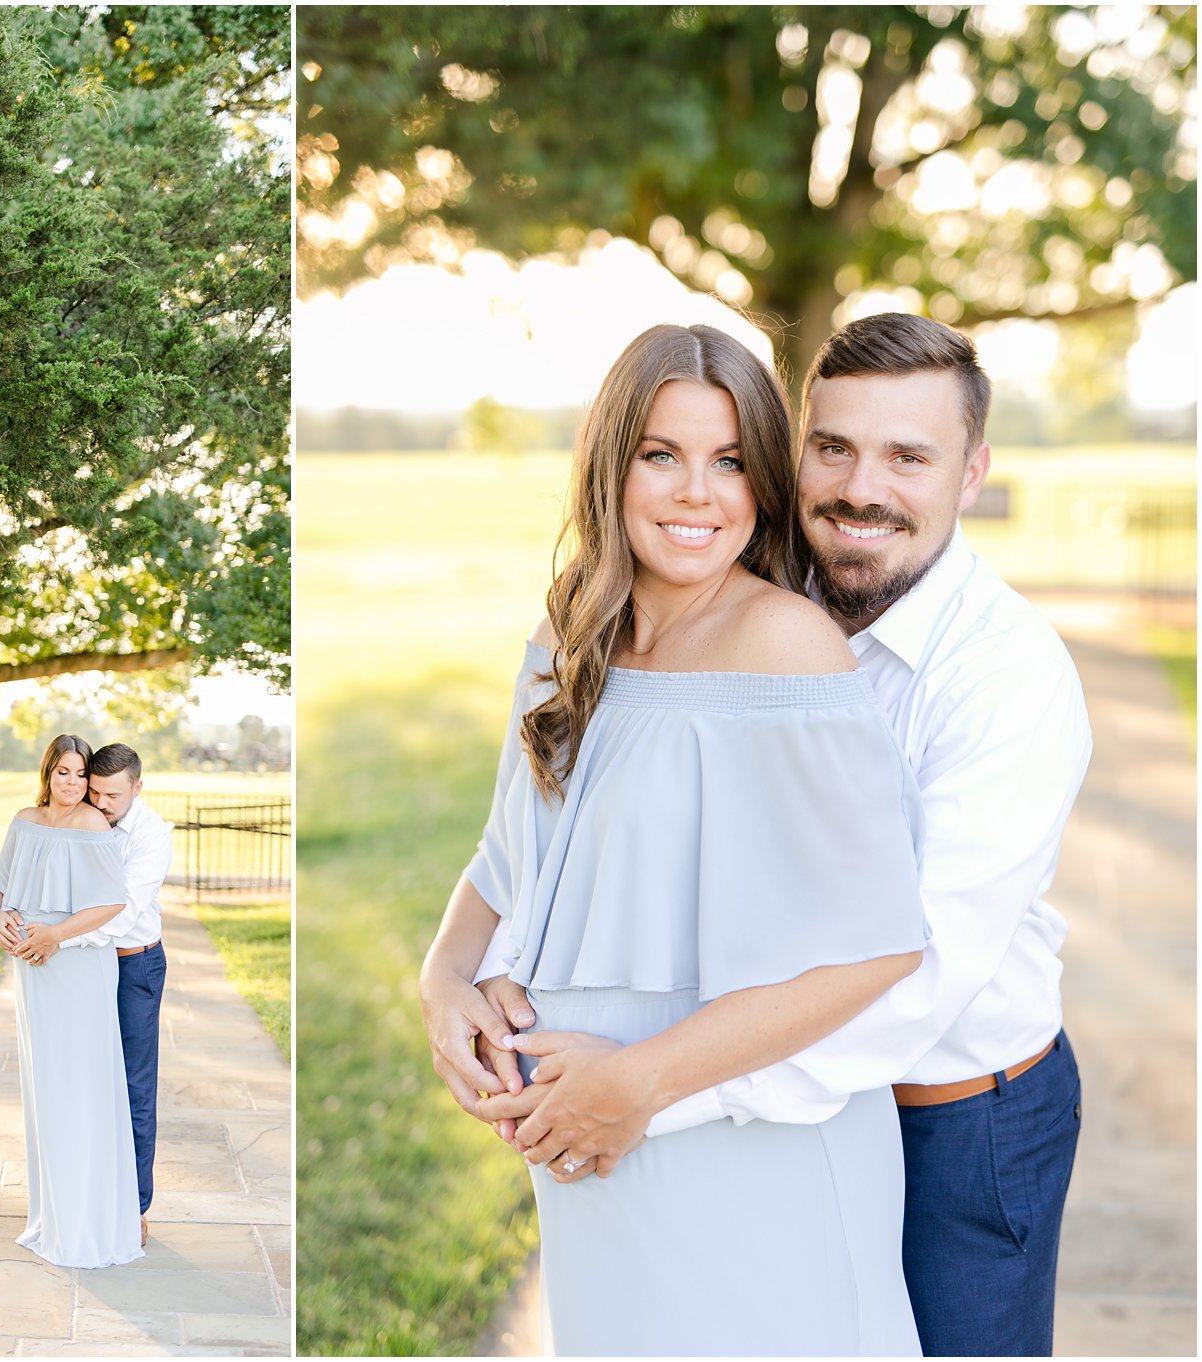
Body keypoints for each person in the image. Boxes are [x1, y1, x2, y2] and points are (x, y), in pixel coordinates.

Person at [475, 313, 1092, 1357]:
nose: (863, 487)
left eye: (909, 456)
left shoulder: (1010, 682)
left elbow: (913, 965)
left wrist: (637, 1094)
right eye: (835, 447)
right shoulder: (738, 598)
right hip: (731, 1096)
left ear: (972, 471)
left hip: (955, 1111)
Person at [418, 322, 931, 1355]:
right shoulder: (571, 629)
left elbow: (881, 942)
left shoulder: (787, 646)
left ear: (762, 486)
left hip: (735, 1144)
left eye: (731, 461)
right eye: (663, 455)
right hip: (587, 1151)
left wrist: (639, 1081)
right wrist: (442, 984)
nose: (698, 493)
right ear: (614, 466)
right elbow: (502, 855)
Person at [0, 733, 142, 1270]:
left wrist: (54, 936)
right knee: (47, 1085)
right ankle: (51, 1215)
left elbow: (112, 903)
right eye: (64, 773)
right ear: (48, 772)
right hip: (32, 970)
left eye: (81, 775)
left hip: (74, 966)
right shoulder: (26, 820)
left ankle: (88, 1224)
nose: (73, 784)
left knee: (82, 1084)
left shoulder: (94, 826)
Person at [84, 743, 173, 1246]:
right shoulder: (85, 819)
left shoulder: (151, 835)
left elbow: (122, 911)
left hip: (133, 966)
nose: (101, 802)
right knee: (92, 1083)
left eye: (112, 794)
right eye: (95, 791)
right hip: (87, 968)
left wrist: (62, 937)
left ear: (138, 788)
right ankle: (92, 1193)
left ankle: (135, 1206)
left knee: (135, 1088)